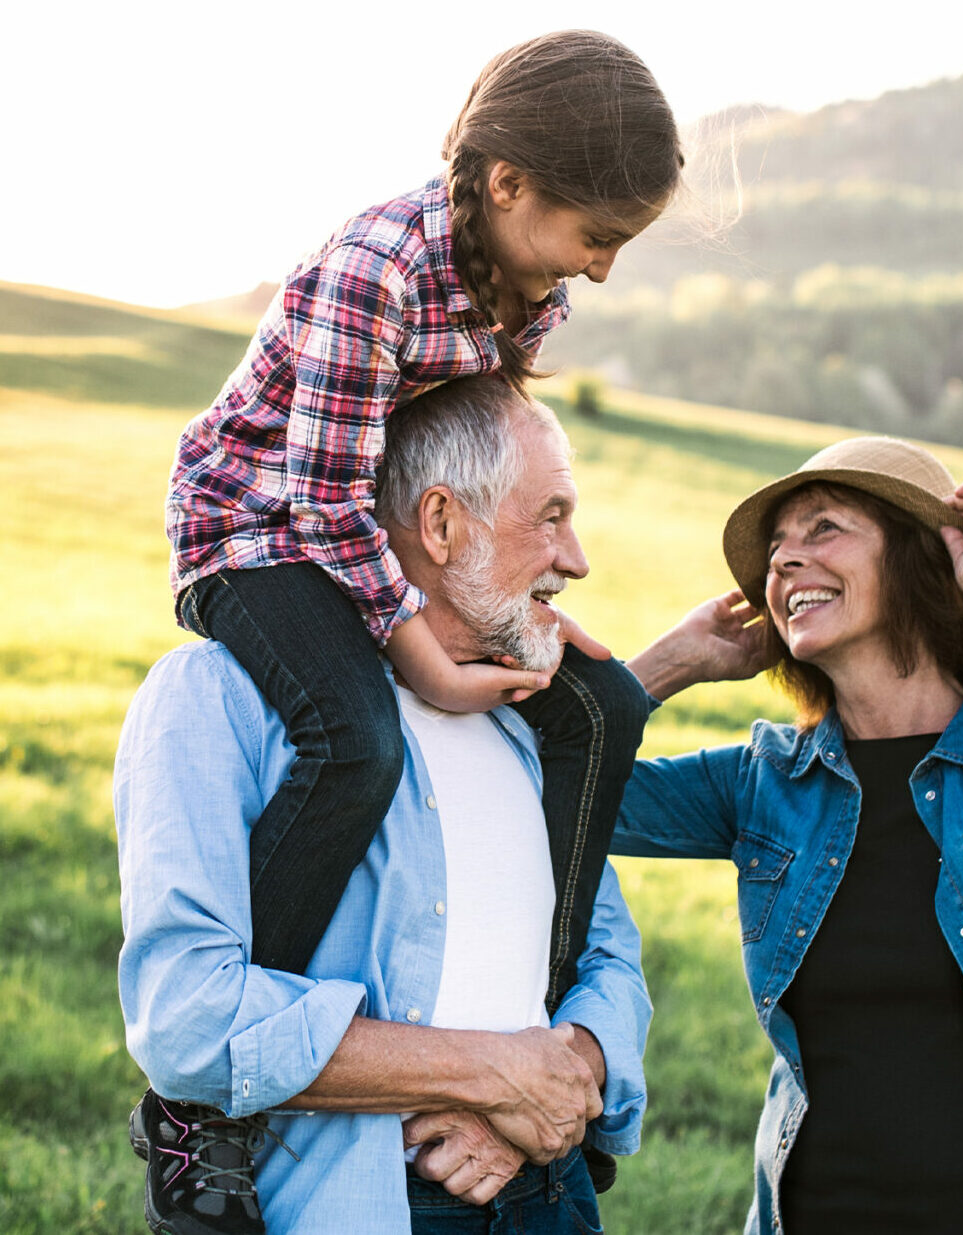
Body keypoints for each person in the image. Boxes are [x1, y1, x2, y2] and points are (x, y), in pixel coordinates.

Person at [146, 28, 677, 1233]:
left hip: (530, 1177)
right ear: (507, 185)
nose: (599, 269)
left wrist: (554, 1071)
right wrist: (417, 647)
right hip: (261, 535)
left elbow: (469, 433)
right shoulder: (376, 266)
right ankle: (206, 1117)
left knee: (605, 708)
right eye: (596, 235)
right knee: (356, 742)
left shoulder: (521, 289)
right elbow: (331, 497)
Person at [614, 436, 963, 1234]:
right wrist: (671, 661)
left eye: (823, 529)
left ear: (920, 557)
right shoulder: (764, 782)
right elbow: (554, 794)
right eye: (776, 548)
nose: (784, 561)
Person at [117, 377, 652, 1235]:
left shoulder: (528, 720)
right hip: (371, 1204)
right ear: (441, 523)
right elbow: (189, 1015)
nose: (576, 557)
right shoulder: (219, 699)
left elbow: (610, 958)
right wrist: (490, 1074)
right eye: (550, 516)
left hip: (549, 1193)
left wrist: (562, 1070)